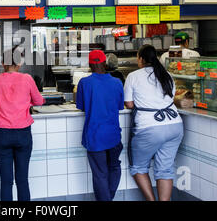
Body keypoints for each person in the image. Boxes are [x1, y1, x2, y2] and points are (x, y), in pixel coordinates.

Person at [124, 44, 184, 201]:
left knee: (138, 167)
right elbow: (170, 98)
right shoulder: (167, 75)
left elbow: (129, 104)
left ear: (141, 59)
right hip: (175, 125)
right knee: (165, 169)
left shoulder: (133, 76)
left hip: (149, 127)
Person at [0, 46, 45, 201]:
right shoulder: (27, 78)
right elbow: (39, 101)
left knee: (6, 182)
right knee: (22, 180)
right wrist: (28, 100)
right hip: (23, 134)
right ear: (19, 63)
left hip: (1, 134)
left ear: (2, 63)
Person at [76, 49, 124, 201]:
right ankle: (108, 198)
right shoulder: (117, 82)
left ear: (90, 65)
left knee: (100, 174)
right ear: (105, 63)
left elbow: (82, 106)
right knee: (115, 167)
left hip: (95, 136)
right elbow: (120, 106)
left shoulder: (84, 83)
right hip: (114, 135)